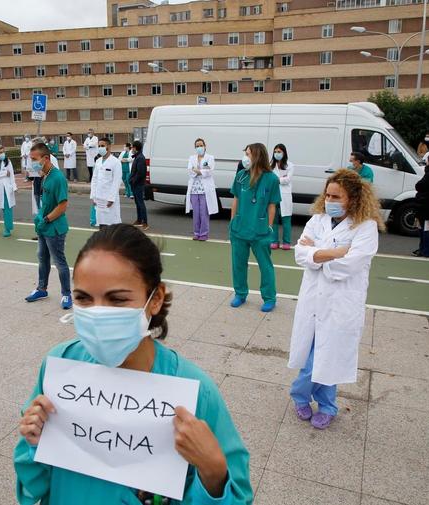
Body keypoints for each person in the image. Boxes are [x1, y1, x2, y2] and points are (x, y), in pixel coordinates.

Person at [15, 224, 253, 504]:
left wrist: (213, 472)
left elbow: (237, 495)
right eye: (83, 298)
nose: (98, 313)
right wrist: (34, 445)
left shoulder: (196, 391)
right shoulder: (60, 364)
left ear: (156, 300)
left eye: (117, 299)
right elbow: (33, 486)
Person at [289, 169, 383, 429]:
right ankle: (301, 397)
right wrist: (335, 252)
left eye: (336, 196)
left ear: (352, 198)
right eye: (327, 195)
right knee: (313, 357)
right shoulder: (317, 220)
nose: (329, 200)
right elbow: (300, 254)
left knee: (328, 357)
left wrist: (317, 254)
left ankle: (326, 404)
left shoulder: (366, 227)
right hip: (313, 300)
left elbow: (348, 266)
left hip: (342, 302)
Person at [229, 143, 281, 312]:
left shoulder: (271, 179)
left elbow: (272, 205)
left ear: (257, 156)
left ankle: (269, 297)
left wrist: (270, 226)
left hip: (260, 231)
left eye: (248, 154)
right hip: (239, 229)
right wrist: (232, 222)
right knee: (238, 264)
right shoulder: (241, 176)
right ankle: (240, 294)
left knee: (265, 266)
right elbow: (236, 199)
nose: (245, 157)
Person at [25, 142, 73, 310]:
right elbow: (46, 203)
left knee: (59, 261)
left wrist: (45, 219)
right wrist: (40, 218)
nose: (31, 162)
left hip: (55, 228)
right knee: (42, 258)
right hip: (44, 226)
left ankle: (66, 294)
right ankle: (42, 289)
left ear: (45, 158)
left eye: (34, 159)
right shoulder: (45, 175)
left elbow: (62, 205)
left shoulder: (58, 178)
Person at [185, 138, 218, 241]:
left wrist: (198, 171)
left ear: (205, 146)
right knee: (196, 212)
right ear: (195, 147)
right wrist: (200, 171)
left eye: (201, 145)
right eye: (197, 146)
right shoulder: (192, 158)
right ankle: (196, 233)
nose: (199, 147)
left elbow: (209, 171)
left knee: (204, 212)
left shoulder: (210, 158)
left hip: (205, 189)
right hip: (194, 189)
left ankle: (203, 233)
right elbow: (190, 171)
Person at [90, 137, 123, 228]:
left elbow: (117, 182)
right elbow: (94, 179)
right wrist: (93, 196)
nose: (100, 148)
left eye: (102, 146)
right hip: (99, 198)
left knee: (111, 225)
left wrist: (111, 198)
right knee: (101, 224)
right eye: (99, 146)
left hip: (109, 200)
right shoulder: (98, 161)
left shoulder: (115, 162)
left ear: (109, 147)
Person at [271, 143, 294, 250]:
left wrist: (277, 180)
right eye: (275, 152)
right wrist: (281, 179)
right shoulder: (270, 165)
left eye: (279, 152)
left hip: (285, 195)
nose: (277, 154)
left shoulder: (290, 165)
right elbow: (269, 179)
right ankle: (274, 241)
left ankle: (286, 242)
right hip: (273, 194)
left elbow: (287, 180)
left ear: (284, 153)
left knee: (286, 220)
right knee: (273, 219)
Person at [128, 140, 148, 230]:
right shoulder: (137, 157)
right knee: (137, 203)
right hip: (135, 184)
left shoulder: (140, 158)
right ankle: (139, 220)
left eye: (132, 147)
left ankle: (145, 222)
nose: (131, 149)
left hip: (138, 185)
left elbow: (140, 173)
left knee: (140, 203)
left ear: (135, 148)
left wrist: (133, 181)